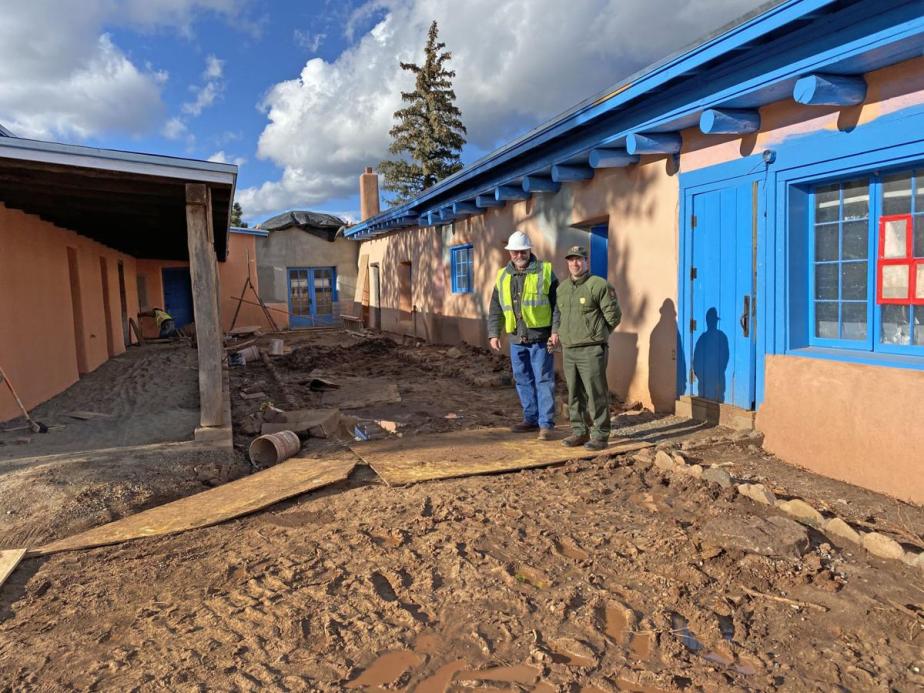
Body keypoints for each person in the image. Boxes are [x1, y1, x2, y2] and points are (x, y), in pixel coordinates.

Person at [488, 231, 560, 440]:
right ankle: (530, 419)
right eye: (514, 252)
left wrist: (555, 330)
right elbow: (495, 307)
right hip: (516, 339)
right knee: (522, 380)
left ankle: (546, 424)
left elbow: (558, 306)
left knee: (544, 380)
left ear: (529, 250)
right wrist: (494, 333)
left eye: (523, 251)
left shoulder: (545, 271)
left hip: (540, 338)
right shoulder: (502, 275)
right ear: (509, 253)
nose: (519, 255)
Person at [556, 245, 621, 451]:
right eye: (571, 259)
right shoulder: (562, 288)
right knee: (574, 393)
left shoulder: (599, 285)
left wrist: (597, 335)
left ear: (586, 262)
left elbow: (614, 316)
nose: (575, 263)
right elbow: (558, 315)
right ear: (567, 262)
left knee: (596, 393)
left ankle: (600, 435)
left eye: (579, 259)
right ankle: (579, 431)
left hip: (591, 350)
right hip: (569, 349)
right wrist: (558, 334)